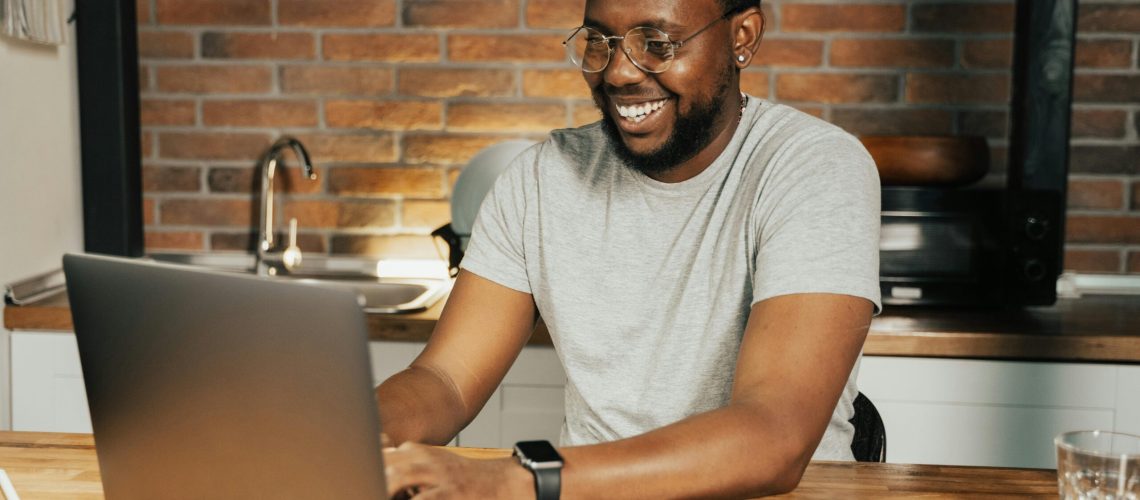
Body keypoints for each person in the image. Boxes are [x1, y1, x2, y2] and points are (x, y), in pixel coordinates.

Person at [377, 0, 881, 497]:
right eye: (600, 42)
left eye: (657, 44)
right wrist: (354, 438)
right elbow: (444, 379)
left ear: (742, 36)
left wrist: (513, 479)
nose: (618, 73)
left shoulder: (815, 167)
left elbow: (773, 437)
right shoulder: (540, 178)